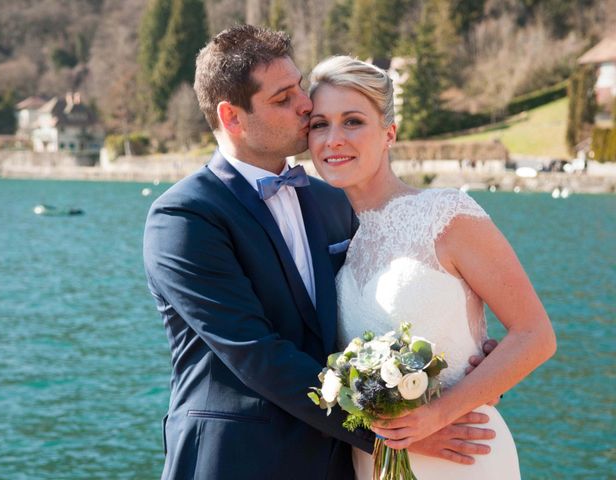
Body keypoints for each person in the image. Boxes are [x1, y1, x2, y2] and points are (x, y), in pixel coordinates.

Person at [144, 26, 497, 480]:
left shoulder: (331, 199)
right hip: (237, 459)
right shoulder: (184, 217)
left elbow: (365, 316)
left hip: (338, 463)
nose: (305, 105)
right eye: (283, 97)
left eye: (299, 87)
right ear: (232, 117)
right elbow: (257, 354)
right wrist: (393, 433)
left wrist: (459, 370)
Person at [307, 55, 557, 479]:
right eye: (319, 124)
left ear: (389, 133)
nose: (333, 139)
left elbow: (535, 336)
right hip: (372, 463)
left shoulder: (447, 215)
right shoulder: (329, 237)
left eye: (352, 121)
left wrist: (437, 414)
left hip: (464, 452)